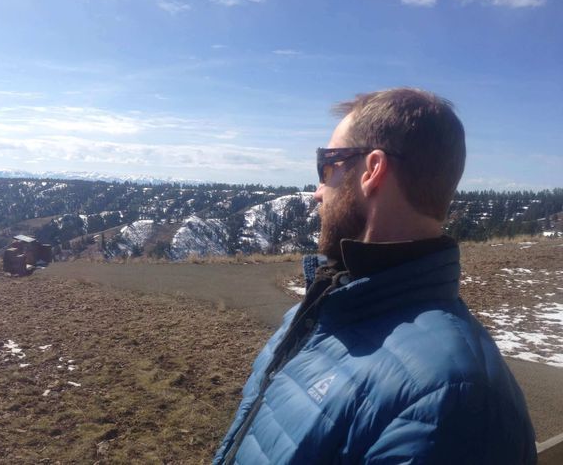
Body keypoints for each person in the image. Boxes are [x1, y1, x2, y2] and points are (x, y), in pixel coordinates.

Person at [211, 88, 536, 464]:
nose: (317, 192)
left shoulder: (454, 400)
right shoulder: (325, 308)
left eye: (327, 166)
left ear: (373, 171)